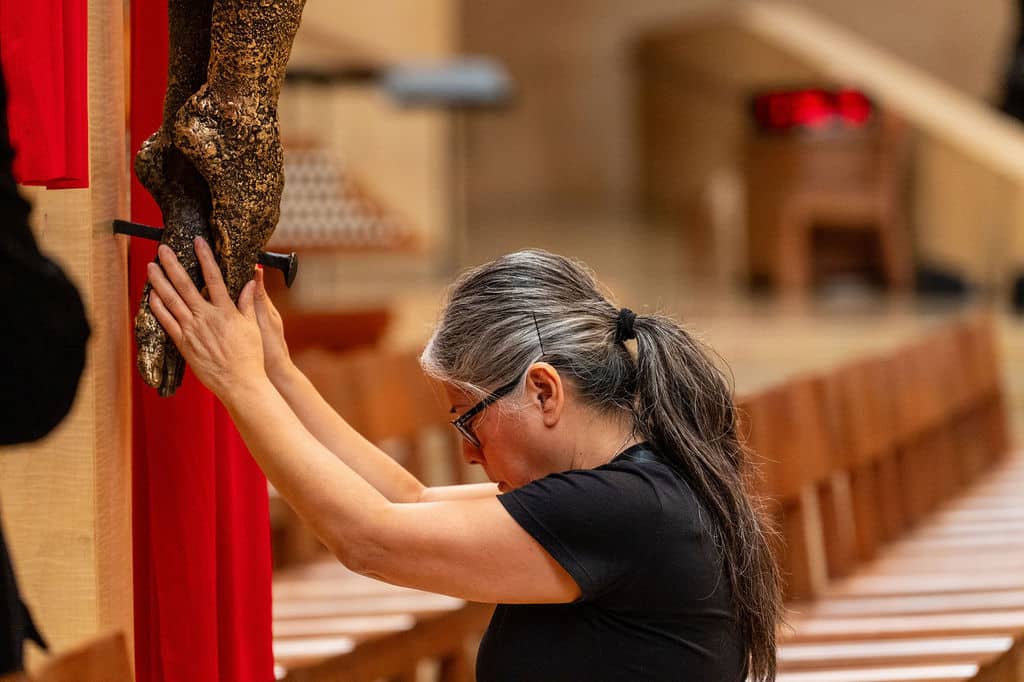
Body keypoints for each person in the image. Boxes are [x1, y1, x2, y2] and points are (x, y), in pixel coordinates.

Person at [146, 240, 782, 681]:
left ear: (543, 391)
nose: (468, 453)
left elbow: (368, 538)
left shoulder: (619, 509)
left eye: (468, 418)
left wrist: (237, 382)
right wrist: (279, 376)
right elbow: (407, 502)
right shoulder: (638, 487)